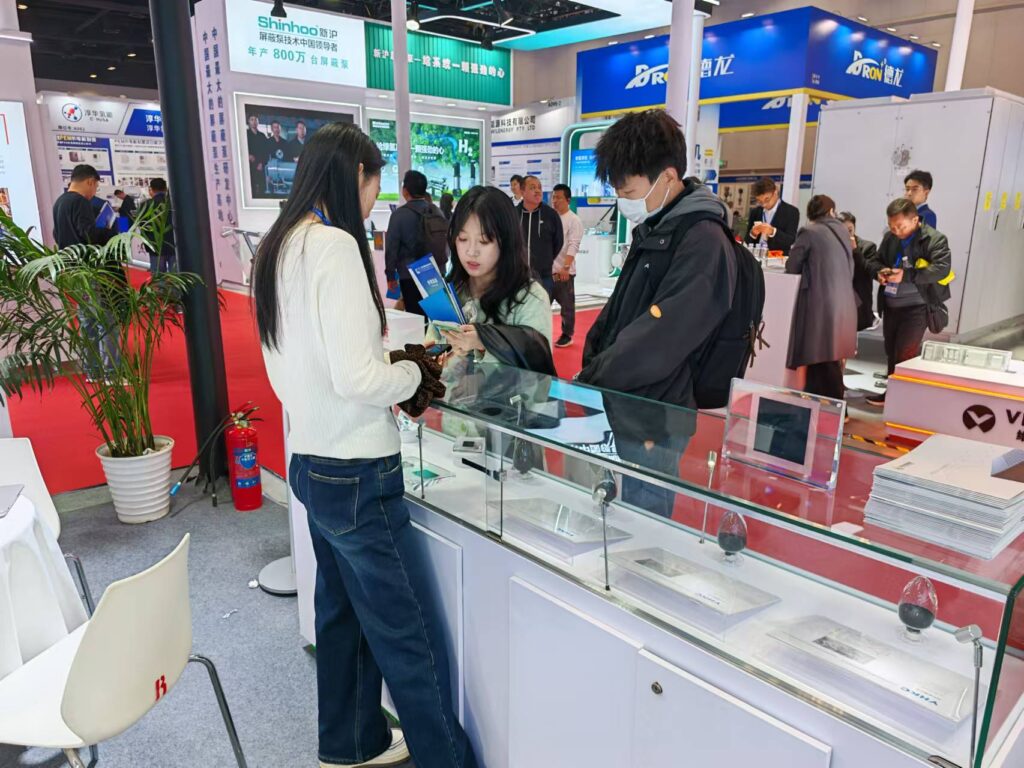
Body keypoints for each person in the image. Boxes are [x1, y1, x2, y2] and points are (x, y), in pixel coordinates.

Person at [252, 122, 475, 768]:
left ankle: (351, 742)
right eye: (375, 183)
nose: (376, 199)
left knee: (342, 616)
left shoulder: (278, 245)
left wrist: (389, 368)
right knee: (411, 637)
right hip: (357, 470)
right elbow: (358, 379)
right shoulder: (334, 247)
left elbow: (307, 363)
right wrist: (413, 372)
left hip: (310, 459)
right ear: (357, 176)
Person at [579, 109, 737, 518]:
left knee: (645, 519)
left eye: (629, 191)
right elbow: (623, 309)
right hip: (627, 397)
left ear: (667, 177)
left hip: (658, 410)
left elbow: (664, 335)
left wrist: (595, 374)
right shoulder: (658, 227)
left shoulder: (702, 239)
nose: (624, 202)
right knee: (614, 510)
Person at [431, 185, 553, 369]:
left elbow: (538, 368)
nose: (471, 252)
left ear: (507, 241)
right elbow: (433, 351)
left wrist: (484, 342)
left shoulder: (530, 298)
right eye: (463, 239)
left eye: (484, 241)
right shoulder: (452, 291)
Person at [865, 198, 953, 406]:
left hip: (917, 306)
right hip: (891, 304)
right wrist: (879, 272)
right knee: (891, 350)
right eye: (891, 226)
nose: (896, 231)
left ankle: (902, 400)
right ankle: (891, 393)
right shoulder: (890, 238)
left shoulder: (934, 239)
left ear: (915, 220)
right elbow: (875, 260)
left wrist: (906, 276)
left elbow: (941, 269)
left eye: (901, 226)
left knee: (905, 353)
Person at [784, 195, 858, 400]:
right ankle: (826, 404)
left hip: (819, 301)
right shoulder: (843, 232)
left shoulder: (809, 231)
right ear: (831, 211)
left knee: (819, 355)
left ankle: (830, 407)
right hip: (843, 300)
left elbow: (793, 266)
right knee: (828, 356)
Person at [53, 164, 119, 380]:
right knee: (106, 320)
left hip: (73, 270)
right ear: (90, 181)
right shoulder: (80, 202)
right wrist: (108, 232)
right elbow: (88, 234)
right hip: (90, 268)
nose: (94, 192)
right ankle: (111, 374)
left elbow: (57, 234)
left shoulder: (60, 202)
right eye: (96, 186)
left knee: (87, 321)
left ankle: (92, 371)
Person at [385, 170, 449, 316]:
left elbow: (391, 248)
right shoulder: (436, 212)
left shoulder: (399, 215)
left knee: (414, 318)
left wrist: (390, 276)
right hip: (435, 272)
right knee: (436, 317)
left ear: (405, 191)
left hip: (409, 276)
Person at [516, 175, 563, 299]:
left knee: (542, 308)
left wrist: (545, 260)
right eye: (532, 188)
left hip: (543, 277)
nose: (537, 191)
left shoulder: (551, 215)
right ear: (522, 192)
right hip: (517, 276)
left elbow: (558, 242)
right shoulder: (514, 214)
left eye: (539, 188)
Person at [550, 183, 583, 348]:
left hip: (564, 272)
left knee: (567, 307)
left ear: (568, 200)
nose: (555, 201)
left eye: (559, 198)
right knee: (541, 305)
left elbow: (573, 245)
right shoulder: (550, 218)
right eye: (553, 197)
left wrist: (566, 267)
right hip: (547, 272)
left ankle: (567, 334)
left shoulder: (573, 220)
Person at [838, 211, 878, 331]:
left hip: (858, 308)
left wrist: (855, 252)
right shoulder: (831, 247)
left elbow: (867, 272)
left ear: (854, 229)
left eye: (850, 230)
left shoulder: (868, 247)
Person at [744, 176, 800, 255]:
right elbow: (747, 241)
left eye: (767, 199)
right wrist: (753, 234)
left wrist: (773, 232)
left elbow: (790, 240)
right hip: (756, 256)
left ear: (775, 192)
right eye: (760, 201)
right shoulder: (755, 212)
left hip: (778, 258)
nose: (764, 204)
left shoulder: (791, 211)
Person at [137, 178, 176, 274]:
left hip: (155, 246)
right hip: (173, 245)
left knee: (158, 276)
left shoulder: (145, 205)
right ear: (165, 189)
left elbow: (142, 226)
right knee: (176, 276)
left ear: (151, 189)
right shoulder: (173, 203)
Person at [245, 114, 268, 196]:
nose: (254, 122)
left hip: (261, 165)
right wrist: (247, 155)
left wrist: (262, 163)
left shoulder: (262, 136)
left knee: (262, 189)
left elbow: (266, 151)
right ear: (248, 121)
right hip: (249, 166)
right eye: (252, 119)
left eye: (255, 119)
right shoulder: (245, 134)